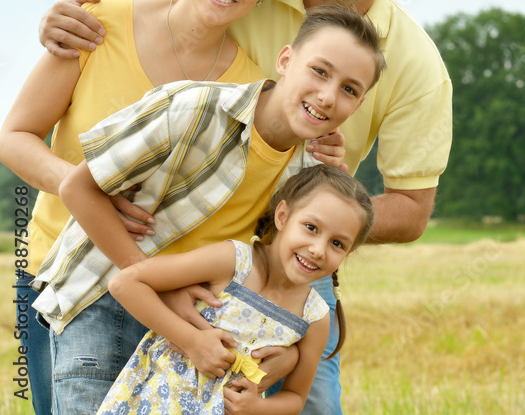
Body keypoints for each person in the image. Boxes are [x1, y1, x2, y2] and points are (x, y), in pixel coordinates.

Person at [38, 0, 453, 414]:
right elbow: (142, 36)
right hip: (144, 243)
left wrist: (323, 216)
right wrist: (72, 25)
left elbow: (412, 207)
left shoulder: (416, 63)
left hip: (280, 258)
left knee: (302, 403)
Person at [0, 0, 297, 415]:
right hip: (61, 272)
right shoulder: (99, 22)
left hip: (166, 298)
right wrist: (89, 189)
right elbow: (15, 137)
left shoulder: (251, 88)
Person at [32, 4, 386, 414]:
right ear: (286, 60)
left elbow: (269, 278)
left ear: (358, 105)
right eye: (319, 72)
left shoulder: (309, 177)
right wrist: (164, 293)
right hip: (104, 298)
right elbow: (77, 188)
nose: (327, 96)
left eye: (349, 89)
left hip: (195, 335)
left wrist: (290, 355)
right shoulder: (196, 107)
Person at [97, 165, 375, 414]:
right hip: (151, 403)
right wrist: (191, 341)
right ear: (282, 216)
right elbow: (126, 283)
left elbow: (295, 397)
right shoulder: (234, 262)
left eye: (338, 244)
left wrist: (258, 407)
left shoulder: (314, 316)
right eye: (311, 227)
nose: (318, 250)